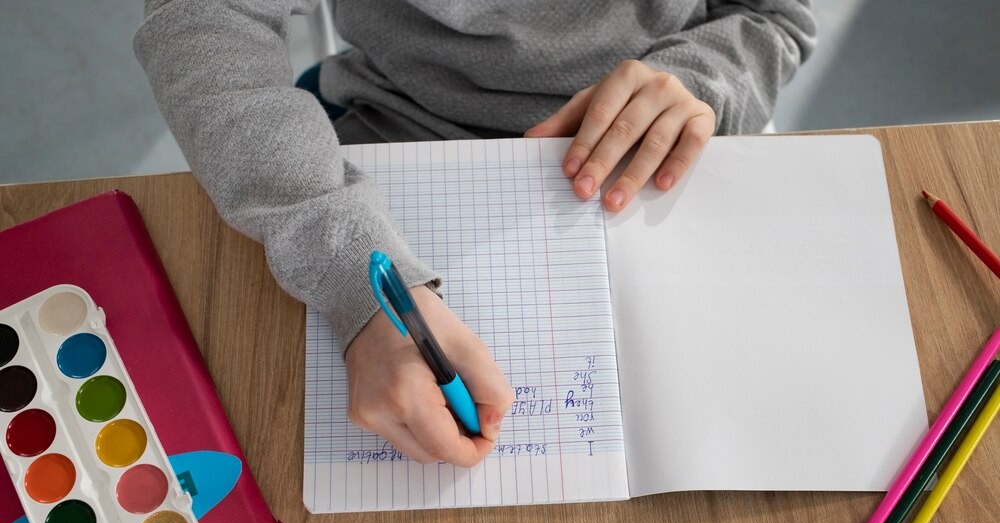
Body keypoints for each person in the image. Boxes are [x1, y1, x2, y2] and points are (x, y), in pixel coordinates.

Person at [134, 0, 816, 468]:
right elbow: (203, 18)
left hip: (667, 129)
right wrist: (349, 270)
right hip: (390, 126)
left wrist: (703, 78)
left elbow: (773, 16)